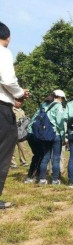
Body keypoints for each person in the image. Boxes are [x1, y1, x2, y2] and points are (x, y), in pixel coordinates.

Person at [0, 21, 30, 209]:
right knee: (3, 153)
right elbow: (8, 79)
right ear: (8, 37)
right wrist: (19, 94)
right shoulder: (3, 52)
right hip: (1, 110)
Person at [38, 90, 66, 185]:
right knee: (56, 158)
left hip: (45, 134)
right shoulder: (58, 106)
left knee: (45, 157)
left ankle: (42, 179)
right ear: (60, 97)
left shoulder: (44, 105)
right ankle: (55, 180)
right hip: (55, 134)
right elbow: (60, 122)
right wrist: (63, 134)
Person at [10, 100, 28, 169]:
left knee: (23, 148)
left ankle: (24, 162)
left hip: (21, 132)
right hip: (12, 131)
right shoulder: (11, 109)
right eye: (18, 101)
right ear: (14, 102)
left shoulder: (22, 111)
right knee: (12, 149)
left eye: (21, 102)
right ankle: (13, 164)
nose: (20, 103)